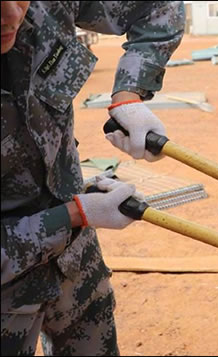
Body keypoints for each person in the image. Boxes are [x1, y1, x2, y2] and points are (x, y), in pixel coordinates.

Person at [1, 1, 184, 355]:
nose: (11, 16)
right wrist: (74, 215)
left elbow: (158, 7)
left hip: (76, 266)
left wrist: (128, 97)